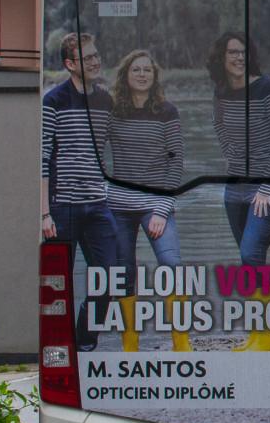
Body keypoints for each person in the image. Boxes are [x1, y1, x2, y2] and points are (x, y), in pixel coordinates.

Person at [208, 32, 270, 352]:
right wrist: (232, 155)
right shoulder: (221, 91)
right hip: (236, 188)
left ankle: (267, 335)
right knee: (250, 261)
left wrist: (267, 188)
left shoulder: (267, 88)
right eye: (232, 52)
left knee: (250, 254)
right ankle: (260, 335)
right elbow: (219, 126)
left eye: (243, 52)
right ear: (222, 57)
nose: (239, 57)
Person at [41, 32, 119, 353]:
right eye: (87, 58)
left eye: (96, 55)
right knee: (58, 284)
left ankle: (84, 342)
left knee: (110, 277)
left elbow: (114, 148)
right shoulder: (54, 101)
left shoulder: (105, 101)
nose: (95, 62)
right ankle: (59, 350)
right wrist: (44, 213)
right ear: (70, 64)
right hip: (62, 206)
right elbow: (43, 158)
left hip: (97, 204)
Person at [106, 49, 186, 351]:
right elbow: (94, 152)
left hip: (156, 205)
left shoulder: (167, 112)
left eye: (147, 70)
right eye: (136, 70)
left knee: (172, 264)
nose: (142, 75)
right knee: (124, 273)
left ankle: (181, 344)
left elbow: (176, 163)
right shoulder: (113, 112)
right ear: (126, 75)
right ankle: (130, 345)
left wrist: (162, 210)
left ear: (154, 76)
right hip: (118, 207)